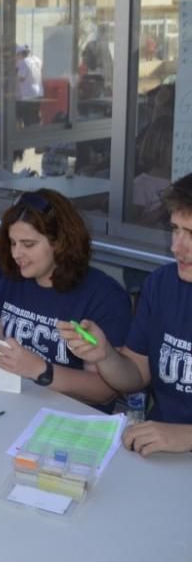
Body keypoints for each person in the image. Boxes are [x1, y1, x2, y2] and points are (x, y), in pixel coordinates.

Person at [0, 190, 131, 410]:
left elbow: (104, 391)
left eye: (28, 244)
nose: (16, 254)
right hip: (13, 403)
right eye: (12, 243)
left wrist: (42, 370)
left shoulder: (104, 296)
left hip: (68, 420)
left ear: (59, 242)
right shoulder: (13, 280)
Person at [64, 174, 192, 455]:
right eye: (175, 229)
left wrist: (186, 436)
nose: (177, 247)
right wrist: (105, 355)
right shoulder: (161, 284)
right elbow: (135, 374)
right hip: (157, 451)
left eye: (191, 234)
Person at [15, 44, 43, 126]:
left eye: (17, 55)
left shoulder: (23, 62)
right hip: (38, 94)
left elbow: (21, 78)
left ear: (20, 54)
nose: (16, 58)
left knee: (28, 120)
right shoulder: (37, 60)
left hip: (28, 96)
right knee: (35, 118)